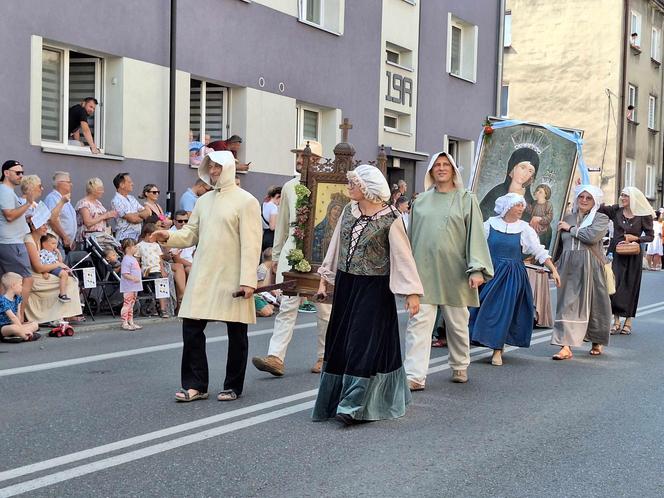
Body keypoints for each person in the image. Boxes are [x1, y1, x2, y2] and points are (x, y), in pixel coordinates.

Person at [313, 164, 423, 425]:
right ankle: (336, 399)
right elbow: (335, 247)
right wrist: (324, 278)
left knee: (363, 342)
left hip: (374, 288)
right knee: (340, 340)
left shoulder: (391, 218)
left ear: (367, 189)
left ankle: (353, 405)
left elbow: (403, 256)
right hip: (346, 284)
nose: (349, 187)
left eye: (354, 183)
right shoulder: (348, 213)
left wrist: (412, 293)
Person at [150, 150, 262, 403]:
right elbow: (190, 234)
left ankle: (233, 385)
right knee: (191, 327)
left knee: (236, 332)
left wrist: (248, 280)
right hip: (203, 272)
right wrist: (167, 237)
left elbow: (252, 243)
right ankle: (195, 385)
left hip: (232, 275)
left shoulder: (247, 201)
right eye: (209, 167)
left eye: (217, 167)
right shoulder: (204, 201)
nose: (212, 172)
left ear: (229, 168)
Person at [404, 152, 493, 388]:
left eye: (446, 165)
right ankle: (414, 375)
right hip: (423, 272)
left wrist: (476, 269)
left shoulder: (466, 199)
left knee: (457, 323)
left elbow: (475, 234)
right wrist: (407, 274)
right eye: (437, 165)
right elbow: (410, 237)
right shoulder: (420, 201)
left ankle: (460, 364)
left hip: (455, 272)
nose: (441, 168)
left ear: (453, 170)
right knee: (418, 324)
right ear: (431, 171)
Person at [252, 141, 332, 376]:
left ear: (317, 160)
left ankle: (324, 356)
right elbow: (283, 225)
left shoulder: (328, 185)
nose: (299, 161)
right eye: (298, 156)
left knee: (324, 307)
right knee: (287, 304)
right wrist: (277, 256)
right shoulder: (288, 187)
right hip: (292, 249)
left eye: (304, 157)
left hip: (320, 250)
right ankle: (276, 357)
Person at [469, 193, 560, 366]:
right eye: (518, 205)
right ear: (508, 206)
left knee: (504, 311)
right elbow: (476, 246)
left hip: (512, 275)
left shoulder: (524, 228)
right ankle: (484, 340)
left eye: (522, 206)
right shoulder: (489, 225)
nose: (521, 209)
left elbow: (538, 250)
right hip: (491, 272)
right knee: (485, 308)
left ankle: (497, 349)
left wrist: (553, 270)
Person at [551, 185, 612, 358]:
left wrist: (570, 229)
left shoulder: (600, 218)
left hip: (591, 264)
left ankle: (596, 340)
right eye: (581, 197)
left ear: (595, 201)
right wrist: (549, 265)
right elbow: (558, 245)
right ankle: (565, 346)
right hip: (568, 265)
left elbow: (591, 236)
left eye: (588, 198)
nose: (584, 200)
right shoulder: (567, 218)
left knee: (596, 303)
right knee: (566, 304)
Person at [599, 187, 654, 335]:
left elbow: (650, 236)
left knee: (631, 286)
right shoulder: (616, 211)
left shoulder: (643, 215)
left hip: (633, 254)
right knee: (613, 286)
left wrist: (636, 238)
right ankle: (616, 321)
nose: (622, 197)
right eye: (622, 195)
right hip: (615, 253)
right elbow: (600, 209)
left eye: (626, 196)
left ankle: (628, 321)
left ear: (634, 198)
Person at [23, 217, 82, 324]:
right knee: (69, 281)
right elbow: (38, 267)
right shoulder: (29, 240)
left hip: (41, 272)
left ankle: (66, 314)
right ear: (33, 226)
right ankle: (56, 315)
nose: (46, 227)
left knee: (70, 279)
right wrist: (58, 264)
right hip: (33, 275)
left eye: (46, 224)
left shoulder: (38, 240)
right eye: (43, 225)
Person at [0, 161, 34, 321]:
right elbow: (9, 215)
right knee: (26, 278)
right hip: (11, 242)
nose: (21, 175)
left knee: (4, 281)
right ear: (6, 173)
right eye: (17, 172)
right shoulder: (5, 191)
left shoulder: (7, 191)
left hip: (9, 241)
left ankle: (5, 318)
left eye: (22, 172)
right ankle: (19, 317)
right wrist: (27, 204)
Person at [479, 147, 539, 221]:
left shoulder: (530, 202)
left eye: (530, 171)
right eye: (523, 167)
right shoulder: (496, 193)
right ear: (513, 167)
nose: (525, 174)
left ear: (532, 176)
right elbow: (481, 217)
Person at [136, 223, 170, 318]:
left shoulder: (156, 245)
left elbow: (160, 259)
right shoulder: (140, 246)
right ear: (147, 235)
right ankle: (153, 306)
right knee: (149, 288)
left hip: (156, 270)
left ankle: (163, 309)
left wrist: (162, 270)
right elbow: (138, 260)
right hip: (146, 270)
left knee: (160, 287)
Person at [75, 177, 118, 250]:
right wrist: (105, 216)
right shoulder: (84, 203)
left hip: (100, 239)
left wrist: (109, 216)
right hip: (88, 240)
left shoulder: (98, 203)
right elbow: (88, 222)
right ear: (93, 190)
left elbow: (100, 218)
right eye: (100, 189)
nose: (103, 191)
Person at [0, 273, 40, 342]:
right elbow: (13, 317)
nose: (22, 287)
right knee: (14, 328)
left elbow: (18, 315)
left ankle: (17, 336)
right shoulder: (2, 300)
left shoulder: (18, 298)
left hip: (15, 324)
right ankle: (26, 337)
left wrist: (22, 326)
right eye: (20, 285)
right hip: (3, 327)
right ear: (13, 285)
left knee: (35, 324)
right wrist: (22, 329)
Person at [111, 173, 151, 242]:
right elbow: (133, 219)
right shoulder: (116, 201)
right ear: (122, 185)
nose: (132, 184)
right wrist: (141, 216)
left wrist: (137, 215)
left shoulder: (131, 198)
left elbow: (148, 213)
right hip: (125, 238)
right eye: (129, 182)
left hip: (137, 237)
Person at [43, 172, 77, 253]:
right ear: (60, 183)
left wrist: (71, 239)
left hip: (66, 243)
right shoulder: (52, 198)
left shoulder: (65, 199)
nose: (71, 184)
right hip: (57, 242)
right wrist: (65, 237)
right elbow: (52, 220)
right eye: (68, 182)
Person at [312, 192, 349, 262]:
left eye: (339, 210)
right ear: (330, 210)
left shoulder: (342, 227)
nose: (336, 212)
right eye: (335, 209)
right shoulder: (320, 227)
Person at [38, 233, 72, 303]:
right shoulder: (43, 252)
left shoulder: (53, 253)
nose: (55, 246)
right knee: (64, 274)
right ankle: (62, 294)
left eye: (56, 244)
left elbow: (60, 261)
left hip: (55, 267)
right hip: (50, 268)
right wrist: (44, 272)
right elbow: (42, 263)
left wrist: (59, 253)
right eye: (53, 243)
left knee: (69, 272)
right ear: (44, 244)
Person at [119, 238, 143, 331]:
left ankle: (130, 321)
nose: (136, 248)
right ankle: (124, 322)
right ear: (128, 248)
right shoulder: (126, 259)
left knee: (131, 304)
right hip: (129, 286)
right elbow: (125, 274)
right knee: (127, 304)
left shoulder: (132, 259)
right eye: (134, 246)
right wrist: (134, 278)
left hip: (134, 286)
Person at [526, 183, 554, 248]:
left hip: (544, 231)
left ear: (546, 194)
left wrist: (539, 219)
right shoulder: (534, 203)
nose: (537, 192)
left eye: (540, 192)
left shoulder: (548, 204)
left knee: (541, 247)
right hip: (533, 228)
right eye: (537, 190)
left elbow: (549, 217)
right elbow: (530, 211)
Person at [169, 210, 195, 277]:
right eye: (180, 221)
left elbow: (193, 252)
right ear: (174, 222)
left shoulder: (189, 232)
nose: (183, 223)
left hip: (190, 263)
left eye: (186, 221)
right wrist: (193, 265)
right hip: (179, 264)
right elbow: (176, 259)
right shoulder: (170, 234)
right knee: (192, 271)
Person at [261, 186, 281, 251]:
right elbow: (272, 227)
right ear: (278, 196)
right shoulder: (273, 207)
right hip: (271, 238)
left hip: (264, 236)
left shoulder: (264, 204)